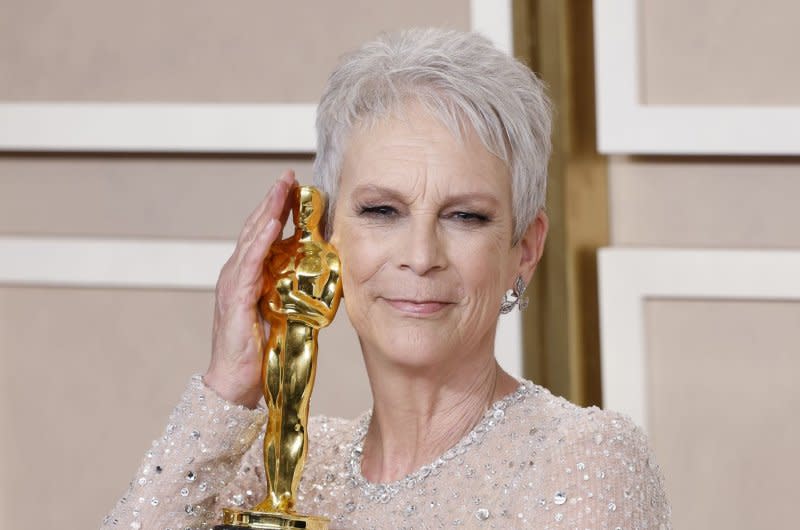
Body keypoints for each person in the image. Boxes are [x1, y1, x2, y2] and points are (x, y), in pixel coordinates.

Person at [103, 28, 671, 529]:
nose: (420, 256)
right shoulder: (280, 470)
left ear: (525, 249)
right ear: (324, 233)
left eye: (465, 216)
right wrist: (227, 387)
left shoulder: (586, 462)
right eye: (382, 211)